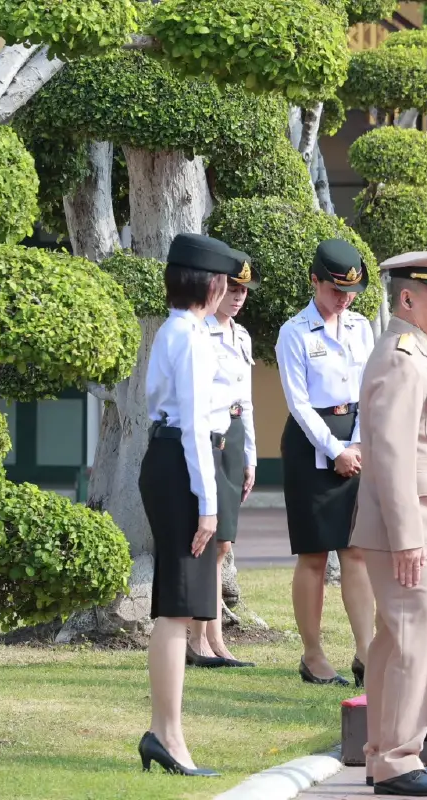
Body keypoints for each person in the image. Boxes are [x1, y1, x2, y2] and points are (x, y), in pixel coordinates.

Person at [350, 248, 427, 798]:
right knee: (413, 640)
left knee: (394, 641)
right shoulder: (402, 358)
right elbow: (393, 455)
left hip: (409, 527)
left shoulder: (415, 352)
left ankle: (382, 754)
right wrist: (406, 538)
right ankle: (399, 758)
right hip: (405, 530)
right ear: (406, 298)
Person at [137, 232, 249, 777]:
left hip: (174, 461)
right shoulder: (192, 337)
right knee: (177, 607)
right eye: (224, 281)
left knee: (178, 605)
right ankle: (167, 735)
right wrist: (208, 505)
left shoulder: (177, 329)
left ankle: (164, 733)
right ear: (212, 285)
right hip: (183, 465)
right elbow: (194, 430)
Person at [275, 239, 376, 687]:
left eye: (350, 291)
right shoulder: (295, 332)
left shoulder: (360, 326)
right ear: (314, 281)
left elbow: (368, 390)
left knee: (356, 551)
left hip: (356, 438)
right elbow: (298, 403)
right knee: (314, 554)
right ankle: (313, 655)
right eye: (336, 290)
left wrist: (358, 444)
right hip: (311, 443)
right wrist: (336, 451)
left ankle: (366, 652)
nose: (344, 299)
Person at [186, 258, 262, 670]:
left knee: (223, 544)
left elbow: (245, 400)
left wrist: (250, 455)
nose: (238, 297)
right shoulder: (198, 332)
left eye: (244, 291)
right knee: (206, 540)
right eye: (233, 289)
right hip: (206, 437)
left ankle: (214, 636)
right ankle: (198, 637)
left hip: (231, 438)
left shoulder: (241, 336)